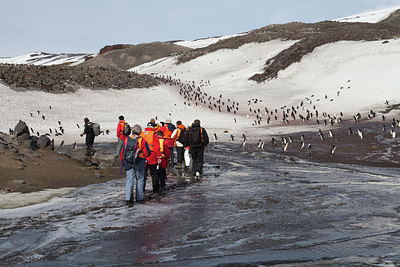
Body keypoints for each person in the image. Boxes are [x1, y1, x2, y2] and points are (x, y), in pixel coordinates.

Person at [120, 124, 151, 204]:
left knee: (129, 180)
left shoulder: (127, 139)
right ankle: (139, 198)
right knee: (140, 179)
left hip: (128, 162)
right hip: (139, 162)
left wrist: (122, 160)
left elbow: (122, 150)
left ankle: (128, 199)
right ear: (140, 131)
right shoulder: (142, 140)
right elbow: (148, 153)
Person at [140, 122, 162, 193]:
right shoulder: (154, 135)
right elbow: (156, 147)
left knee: (143, 174)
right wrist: (159, 157)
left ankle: (141, 190)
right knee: (154, 174)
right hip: (152, 156)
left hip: (142, 156)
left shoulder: (142, 133)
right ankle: (156, 190)